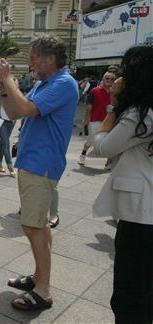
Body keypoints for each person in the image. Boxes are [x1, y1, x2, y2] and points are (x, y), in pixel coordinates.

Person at [0, 35, 78, 311]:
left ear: (50, 59)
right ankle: (39, 277)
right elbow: (15, 112)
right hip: (33, 161)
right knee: (39, 224)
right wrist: (5, 87)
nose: (30, 62)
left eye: (33, 57)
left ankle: (43, 290)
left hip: (41, 164)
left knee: (31, 226)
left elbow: (28, 108)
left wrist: (9, 79)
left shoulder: (63, 83)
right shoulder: (46, 83)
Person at [91, 44, 153, 324]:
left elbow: (103, 147)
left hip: (141, 216)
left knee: (130, 295)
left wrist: (113, 105)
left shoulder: (142, 115)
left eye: (125, 70)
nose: (119, 78)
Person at [79, 72, 114, 166]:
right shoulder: (95, 90)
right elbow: (89, 106)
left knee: (110, 141)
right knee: (90, 140)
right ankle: (83, 155)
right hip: (96, 120)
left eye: (111, 79)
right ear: (103, 79)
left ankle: (109, 162)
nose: (109, 80)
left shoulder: (114, 93)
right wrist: (87, 118)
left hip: (109, 121)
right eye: (107, 78)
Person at [0, 80, 16, 177]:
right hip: (0, 122)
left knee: (3, 143)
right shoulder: (0, 94)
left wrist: (15, 120)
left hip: (10, 122)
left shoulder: (14, 95)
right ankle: (11, 167)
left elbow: (16, 108)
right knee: (6, 143)